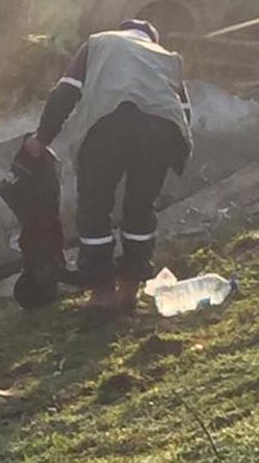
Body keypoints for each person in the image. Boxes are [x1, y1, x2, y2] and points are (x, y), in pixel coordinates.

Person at [19, 20, 192, 310]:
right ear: (151, 37)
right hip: (162, 132)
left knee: (95, 209)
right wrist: (178, 155)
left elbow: (66, 92)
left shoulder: (99, 42)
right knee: (141, 209)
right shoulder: (165, 55)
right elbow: (184, 110)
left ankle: (102, 294)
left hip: (109, 126)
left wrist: (42, 138)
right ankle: (129, 290)